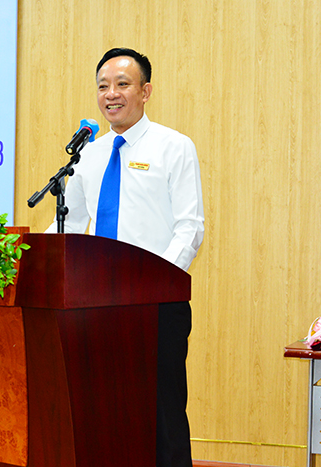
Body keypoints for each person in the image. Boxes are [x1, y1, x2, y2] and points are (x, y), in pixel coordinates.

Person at [47, 47, 204, 467]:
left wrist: (155, 285)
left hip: (156, 305)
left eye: (122, 84)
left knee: (162, 415)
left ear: (145, 91)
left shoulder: (174, 146)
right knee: (103, 411)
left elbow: (190, 228)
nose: (111, 94)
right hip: (95, 305)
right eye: (103, 86)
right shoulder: (89, 155)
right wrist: (26, 259)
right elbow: (69, 224)